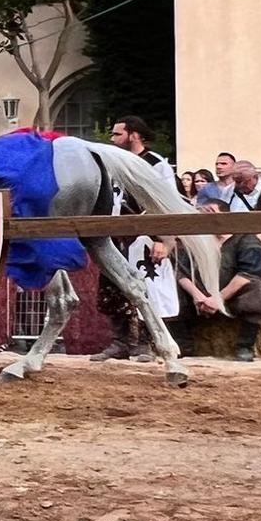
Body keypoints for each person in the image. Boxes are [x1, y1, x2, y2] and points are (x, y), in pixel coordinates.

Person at [91, 115, 177, 363]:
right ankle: (121, 342)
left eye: (118, 134)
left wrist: (164, 239)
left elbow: (166, 203)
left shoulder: (156, 164)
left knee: (147, 288)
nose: (112, 139)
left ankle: (146, 344)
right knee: (114, 289)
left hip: (145, 236)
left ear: (134, 135)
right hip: (115, 235)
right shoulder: (111, 163)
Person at [177, 200, 261, 363]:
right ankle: (183, 345)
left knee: (259, 289)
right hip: (200, 296)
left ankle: (244, 346)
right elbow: (180, 271)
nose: (205, 216)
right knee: (169, 287)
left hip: (232, 296)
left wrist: (218, 299)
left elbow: (248, 274)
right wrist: (197, 295)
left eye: (210, 211)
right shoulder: (194, 240)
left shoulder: (246, 239)